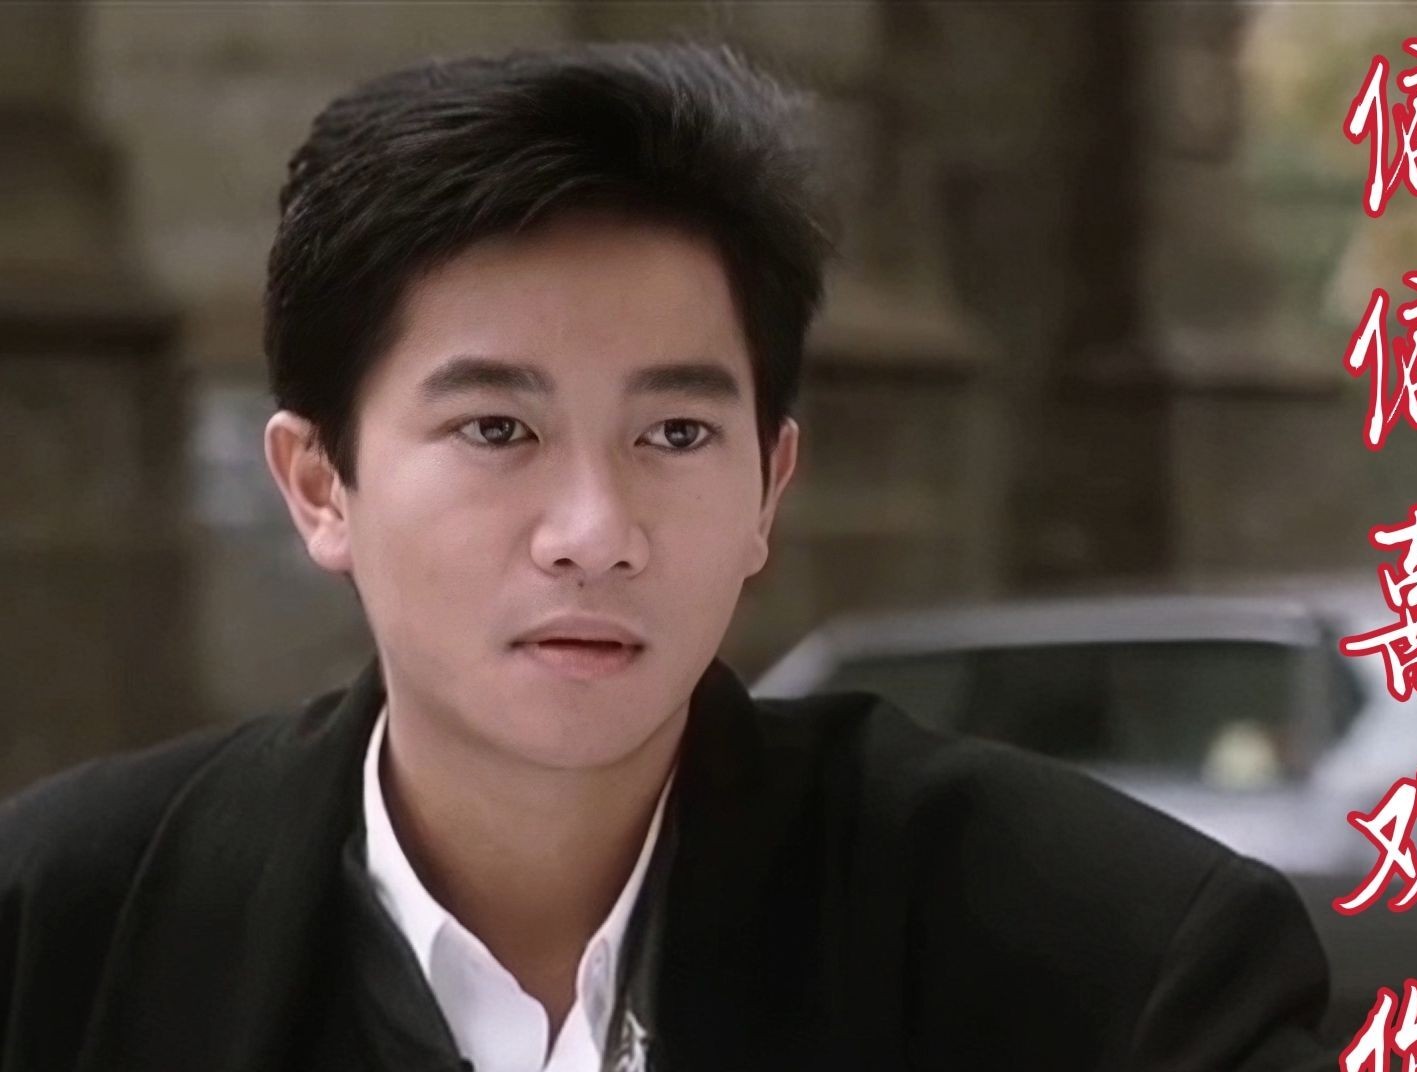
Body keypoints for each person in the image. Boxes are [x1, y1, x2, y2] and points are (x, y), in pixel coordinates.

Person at [0, 42, 1331, 1072]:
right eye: (497, 429)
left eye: (676, 432)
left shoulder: (1108, 960)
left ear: (768, 489)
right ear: (320, 486)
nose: (594, 534)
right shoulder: (61, 933)